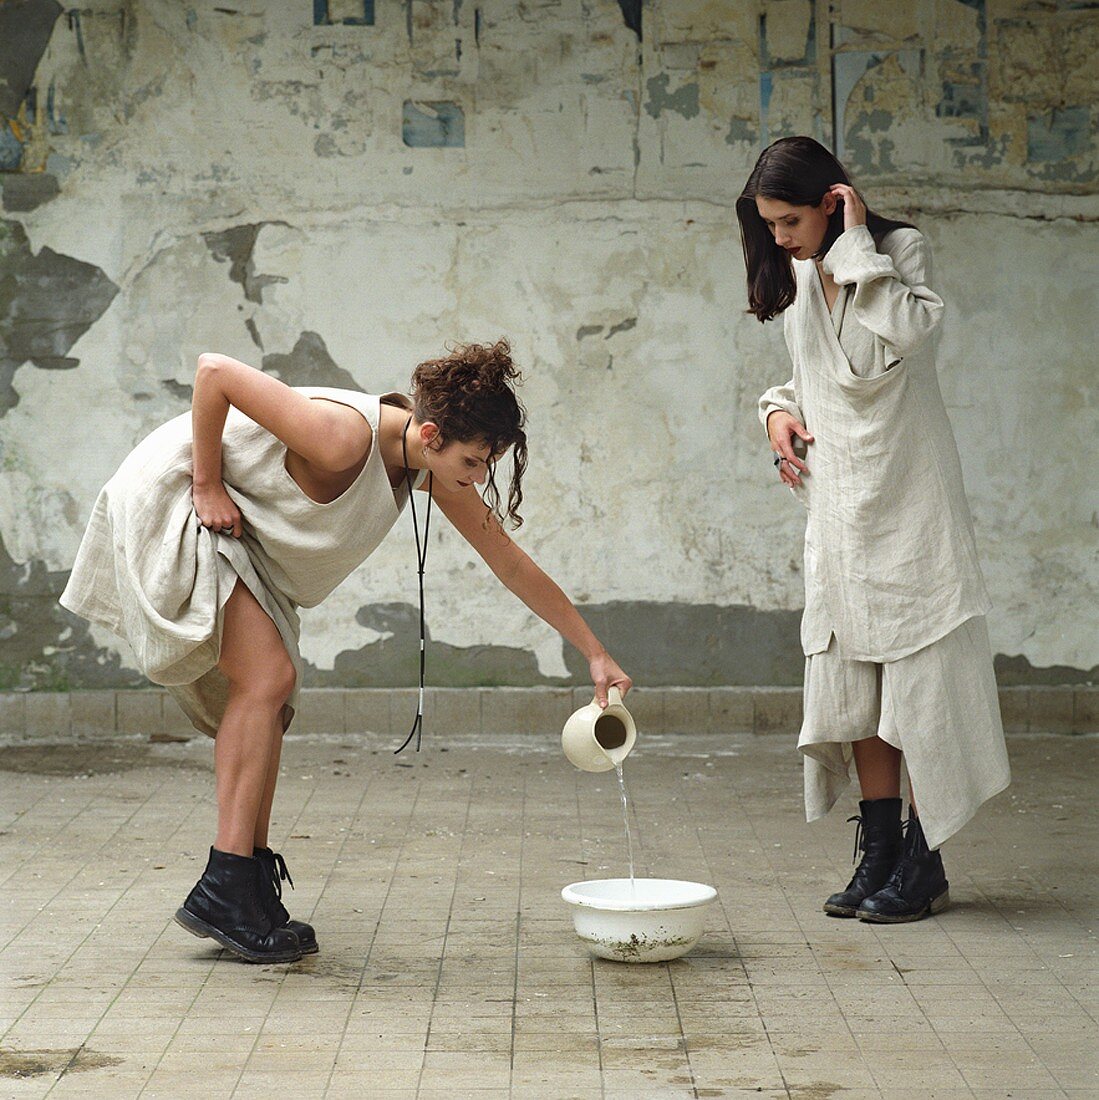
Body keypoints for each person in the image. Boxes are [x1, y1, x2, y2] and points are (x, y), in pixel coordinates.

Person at [60, 339, 631, 962]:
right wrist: (206, 483)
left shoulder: (424, 461)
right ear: (433, 433)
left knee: (270, 699)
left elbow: (509, 561)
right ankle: (224, 885)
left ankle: (242, 883)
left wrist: (593, 651)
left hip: (237, 536)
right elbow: (214, 372)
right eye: (475, 459)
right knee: (268, 679)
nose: (481, 475)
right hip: (176, 503)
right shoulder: (343, 437)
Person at [737, 137, 1010, 923]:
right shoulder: (795, 271)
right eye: (770, 223)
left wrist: (856, 249)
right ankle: (882, 852)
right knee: (855, 684)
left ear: (833, 201)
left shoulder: (896, 251)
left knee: (920, 689)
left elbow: (912, 334)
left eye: (790, 220)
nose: (781, 237)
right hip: (841, 510)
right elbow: (806, 375)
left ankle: (924, 863)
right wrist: (778, 414)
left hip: (911, 505)